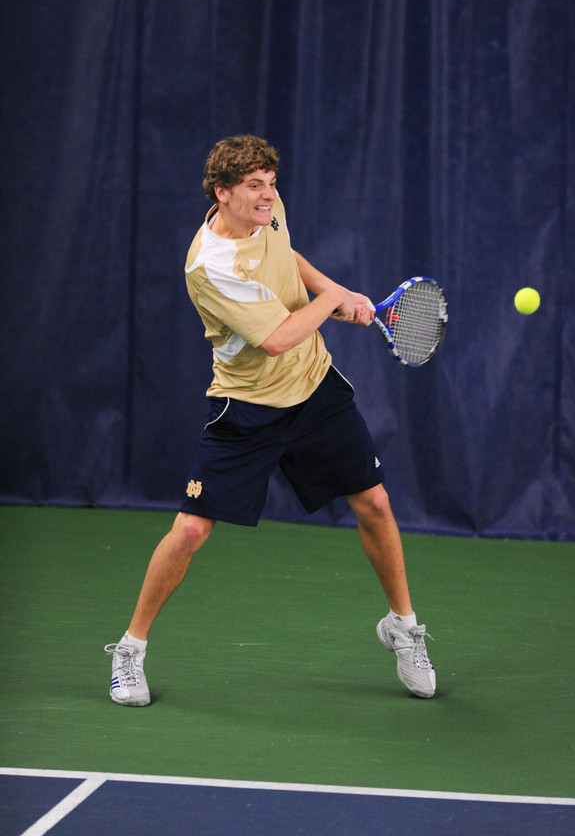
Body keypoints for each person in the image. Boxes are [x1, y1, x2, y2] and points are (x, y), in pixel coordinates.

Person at [105, 135, 436, 704]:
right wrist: (333, 305)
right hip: (247, 406)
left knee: (376, 503)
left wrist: (334, 290)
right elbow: (280, 338)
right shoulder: (210, 267)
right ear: (222, 193)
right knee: (189, 531)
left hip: (314, 390)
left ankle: (403, 628)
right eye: (254, 186)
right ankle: (129, 651)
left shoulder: (268, 212)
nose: (268, 195)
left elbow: (290, 258)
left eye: (271, 183)